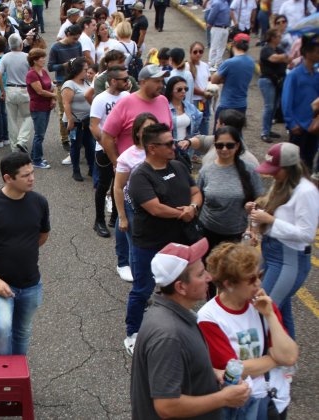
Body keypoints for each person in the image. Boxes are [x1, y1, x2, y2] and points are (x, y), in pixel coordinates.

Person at [130, 238, 251, 419]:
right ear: (181, 287)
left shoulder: (174, 314)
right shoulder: (168, 336)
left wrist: (212, 373)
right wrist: (223, 398)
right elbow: (167, 406)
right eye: (201, 274)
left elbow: (183, 365)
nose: (209, 278)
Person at [124, 123, 202, 355]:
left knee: (179, 285)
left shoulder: (178, 166)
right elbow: (155, 209)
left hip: (179, 241)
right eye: (168, 143)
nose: (174, 146)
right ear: (152, 148)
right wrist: (184, 213)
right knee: (143, 289)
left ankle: (178, 321)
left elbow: (195, 191)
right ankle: (133, 332)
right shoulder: (140, 176)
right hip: (149, 244)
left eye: (173, 141)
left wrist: (193, 207)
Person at [197, 242, 299, 419]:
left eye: (260, 275)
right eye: (251, 279)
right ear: (229, 284)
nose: (259, 282)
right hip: (243, 405)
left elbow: (289, 357)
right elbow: (232, 370)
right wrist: (274, 359)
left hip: (274, 400)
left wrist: (270, 315)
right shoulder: (209, 317)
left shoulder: (262, 303)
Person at [0, 152, 50, 355]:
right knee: (3, 327)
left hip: (31, 283)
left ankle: (17, 375)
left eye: (32, 173)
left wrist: (22, 250)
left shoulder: (39, 202)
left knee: (22, 332)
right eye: (25, 175)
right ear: (7, 178)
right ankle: (1, 374)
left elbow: (43, 235)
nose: (32, 178)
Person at [249, 142, 319, 338]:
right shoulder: (284, 183)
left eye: (275, 170)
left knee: (263, 309)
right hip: (273, 253)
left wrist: (270, 220)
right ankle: (287, 362)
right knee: (279, 310)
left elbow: (306, 234)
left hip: (289, 258)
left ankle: (273, 361)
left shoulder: (306, 192)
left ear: (290, 168)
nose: (271, 174)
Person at [197, 126, 263, 254]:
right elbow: (198, 198)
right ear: (214, 146)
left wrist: (254, 229)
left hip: (237, 234)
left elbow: (260, 200)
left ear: (237, 146)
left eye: (230, 145)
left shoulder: (249, 170)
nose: (224, 149)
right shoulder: (206, 170)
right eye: (220, 145)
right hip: (207, 232)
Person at [113, 113, 158, 283]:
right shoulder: (127, 157)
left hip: (154, 206)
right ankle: (137, 279)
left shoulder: (159, 151)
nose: (151, 132)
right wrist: (123, 217)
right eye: (146, 129)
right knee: (136, 247)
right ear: (138, 132)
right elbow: (118, 187)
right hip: (133, 207)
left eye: (154, 127)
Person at [100, 64, 172, 168]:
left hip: (161, 168)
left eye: (162, 81)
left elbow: (169, 131)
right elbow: (107, 137)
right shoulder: (125, 103)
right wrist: (117, 164)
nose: (161, 85)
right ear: (143, 82)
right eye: (157, 81)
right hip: (133, 171)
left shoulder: (163, 101)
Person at [90, 65, 130, 239]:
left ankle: (115, 215)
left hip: (124, 148)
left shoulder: (127, 97)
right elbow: (94, 126)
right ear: (113, 81)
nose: (128, 82)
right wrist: (106, 145)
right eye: (124, 79)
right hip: (104, 150)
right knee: (104, 184)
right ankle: (99, 220)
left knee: (119, 184)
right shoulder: (100, 99)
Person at [281, 33, 319, 172]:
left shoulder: (316, 75)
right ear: (308, 53)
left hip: (313, 126)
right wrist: (291, 123)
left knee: (309, 161)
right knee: (294, 163)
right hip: (298, 126)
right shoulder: (294, 75)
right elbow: (286, 100)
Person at [211, 34, 255, 131]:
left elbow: (213, 80)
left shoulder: (229, 63)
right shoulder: (251, 61)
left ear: (233, 44)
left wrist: (222, 78)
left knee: (219, 135)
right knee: (236, 135)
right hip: (242, 104)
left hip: (227, 104)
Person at [0, 34, 32, 154]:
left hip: (10, 89)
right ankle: (22, 140)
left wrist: (2, 90)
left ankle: (14, 147)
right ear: (21, 44)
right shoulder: (27, 57)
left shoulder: (5, 57)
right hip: (25, 90)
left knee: (11, 120)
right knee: (28, 116)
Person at [61, 57, 95, 180]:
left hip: (87, 121)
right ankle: (76, 171)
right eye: (85, 70)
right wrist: (70, 120)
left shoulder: (86, 82)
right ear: (78, 70)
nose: (87, 72)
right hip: (75, 122)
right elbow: (66, 104)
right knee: (76, 145)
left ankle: (92, 168)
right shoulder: (69, 85)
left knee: (90, 145)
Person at [258, 29, 289, 144]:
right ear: (272, 38)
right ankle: (264, 132)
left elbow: (287, 60)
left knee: (274, 107)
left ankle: (268, 129)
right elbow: (275, 58)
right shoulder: (266, 49)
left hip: (277, 81)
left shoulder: (279, 49)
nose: (280, 38)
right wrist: (289, 54)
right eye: (278, 36)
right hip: (267, 80)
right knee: (269, 106)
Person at [26, 48, 55, 169]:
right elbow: (40, 91)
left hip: (46, 106)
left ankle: (34, 155)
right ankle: (37, 160)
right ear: (35, 60)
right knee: (39, 135)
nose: (44, 59)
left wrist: (53, 99)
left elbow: (51, 85)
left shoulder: (43, 71)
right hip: (38, 107)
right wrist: (55, 96)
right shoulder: (31, 74)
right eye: (41, 58)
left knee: (40, 133)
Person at [165, 76, 202, 156]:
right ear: (171, 90)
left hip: (187, 148)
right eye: (179, 89)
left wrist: (191, 142)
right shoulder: (164, 107)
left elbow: (196, 129)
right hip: (170, 148)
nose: (183, 91)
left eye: (186, 89)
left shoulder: (190, 107)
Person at [187, 41, 212, 135]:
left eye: (200, 51)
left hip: (205, 99)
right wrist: (203, 93)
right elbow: (189, 86)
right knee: (195, 125)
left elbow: (209, 80)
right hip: (194, 100)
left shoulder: (205, 65)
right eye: (195, 52)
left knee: (205, 121)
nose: (198, 54)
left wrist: (209, 90)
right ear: (190, 52)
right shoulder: (187, 67)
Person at [206, 0, 232, 70]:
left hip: (225, 28)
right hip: (217, 27)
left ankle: (218, 63)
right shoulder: (217, 3)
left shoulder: (226, 2)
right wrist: (209, 23)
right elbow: (212, 15)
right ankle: (211, 63)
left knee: (222, 47)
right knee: (214, 46)